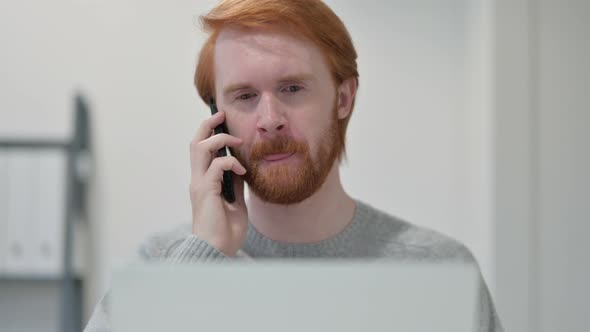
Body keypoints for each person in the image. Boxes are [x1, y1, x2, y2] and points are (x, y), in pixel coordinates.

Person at [84, 0, 504, 331]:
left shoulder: (436, 272)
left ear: (343, 98)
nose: (269, 119)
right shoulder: (166, 267)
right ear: (216, 115)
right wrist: (205, 256)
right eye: (245, 97)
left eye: (292, 88)